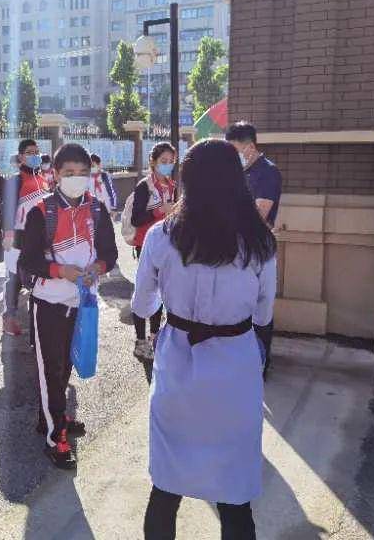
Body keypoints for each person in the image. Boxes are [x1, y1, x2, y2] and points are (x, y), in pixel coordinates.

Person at [133, 140, 277, 540]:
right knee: (234, 498)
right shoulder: (261, 242)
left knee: (165, 488)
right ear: (237, 179)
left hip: (178, 368)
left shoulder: (162, 236)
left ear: (187, 179)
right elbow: (264, 313)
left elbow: (143, 304)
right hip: (236, 372)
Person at [19, 143, 118, 469]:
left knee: (67, 364)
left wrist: (97, 269)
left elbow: (110, 253)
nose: (77, 179)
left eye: (82, 174)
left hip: (82, 303)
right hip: (48, 303)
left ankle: (51, 416)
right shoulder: (41, 211)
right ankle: (55, 435)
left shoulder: (98, 209)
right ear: (55, 175)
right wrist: (60, 271)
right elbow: (28, 261)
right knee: (51, 369)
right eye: (69, 173)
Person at [226, 121, 282, 376]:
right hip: (236, 250)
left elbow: (260, 214)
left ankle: (261, 364)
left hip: (259, 250)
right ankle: (243, 361)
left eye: (235, 149)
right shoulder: (237, 173)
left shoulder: (267, 172)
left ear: (249, 146)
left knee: (262, 309)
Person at [129, 142, 177, 361]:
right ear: (153, 162)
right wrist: (159, 211)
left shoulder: (172, 185)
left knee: (159, 292)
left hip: (167, 245)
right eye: (163, 162)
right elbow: (136, 218)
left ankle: (154, 336)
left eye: (171, 162)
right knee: (144, 290)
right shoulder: (144, 186)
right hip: (146, 246)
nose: (167, 166)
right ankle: (140, 341)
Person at [0, 139, 51, 336]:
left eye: (37, 152)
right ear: (21, 157)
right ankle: (9, 317)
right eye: (30, 152)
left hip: (40, 238)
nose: (35, 155)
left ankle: (37, 320)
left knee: (37, 276)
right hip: (19, 237)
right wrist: (8, 234)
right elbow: (6, 209)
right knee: (15, 278)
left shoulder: (44, 179)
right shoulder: (16, 180)